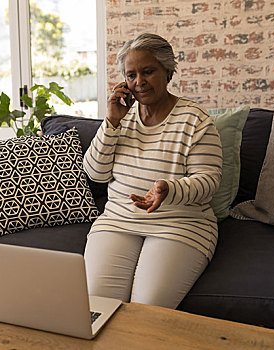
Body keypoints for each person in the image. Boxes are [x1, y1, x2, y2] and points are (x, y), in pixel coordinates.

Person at [83, 33, 223, 309]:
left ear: (168, 72)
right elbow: (95, 174)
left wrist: (169, 189)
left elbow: (209, 180)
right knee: (94, 307)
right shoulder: (121, 117)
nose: (139, 82)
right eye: (131, 75)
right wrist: (111, 122)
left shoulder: (195, 119)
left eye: (148, 72)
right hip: (118, 221)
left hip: (180, 225)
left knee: (146, 309)